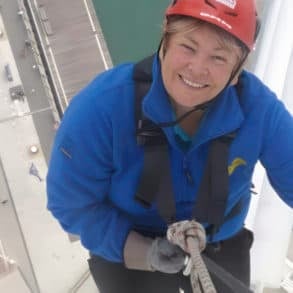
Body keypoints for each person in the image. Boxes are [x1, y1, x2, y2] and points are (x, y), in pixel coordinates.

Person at [46, 0, 293, 292]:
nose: (198, 68)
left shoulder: (258, 111)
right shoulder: (102, 108)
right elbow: (71, 203)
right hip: (127, 244)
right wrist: (142, 252)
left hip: (217, 242)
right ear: (165, 37)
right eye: (188, 47)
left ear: (238, 71)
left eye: (219, 58)